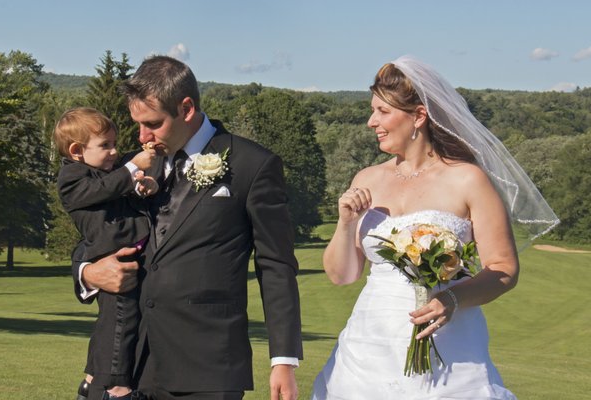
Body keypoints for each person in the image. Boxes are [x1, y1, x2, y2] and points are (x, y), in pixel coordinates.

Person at [311, 56, 559, 399]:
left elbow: (504, 269)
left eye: (383, 112)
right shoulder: (367, 179)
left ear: (418, 116)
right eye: (372, 111)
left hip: (448, 341)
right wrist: (346, 223)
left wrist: (452, 300)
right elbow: (343, 276)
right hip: (369, 341)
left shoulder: (466, 179)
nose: (371, 122)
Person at [72, 55, 303, 400]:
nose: (142, 136)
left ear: (187, 108)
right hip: (121, 365)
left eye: (152, 123)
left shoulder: (252, 165)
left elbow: (276, 266)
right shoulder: (129, 167)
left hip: (205, 369)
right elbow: (96, 230)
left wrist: (283, 359)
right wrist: (88, 273)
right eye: (137, 124)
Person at [54, 107, 158, 400]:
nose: (114, 151)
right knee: (121, 322)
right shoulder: (73, 178)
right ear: (76, 151)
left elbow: (123, 194)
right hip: (113, 261)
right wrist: (131, 167)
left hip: (131, 255)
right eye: (106, 145)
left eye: (114, 143)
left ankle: (91, 379)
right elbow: (103, 189)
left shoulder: (105, 172)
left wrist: (144, 185)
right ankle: (117, 388)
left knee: (114, 321)